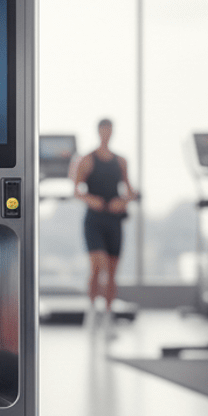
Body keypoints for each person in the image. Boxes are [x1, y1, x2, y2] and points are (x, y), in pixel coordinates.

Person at [73, 118, 138, 327]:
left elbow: (129, 190)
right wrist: (91, 199)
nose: (107, 134)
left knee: (112, 272)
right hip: (94, 220)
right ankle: (92, 311)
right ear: (99, 132)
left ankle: (108, 315)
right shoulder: (87, 160)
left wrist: (125, 200)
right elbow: (76, 190)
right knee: (97, 267)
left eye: (110, 131)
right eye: (104, 131)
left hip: (114, 220)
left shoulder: (121, 161)